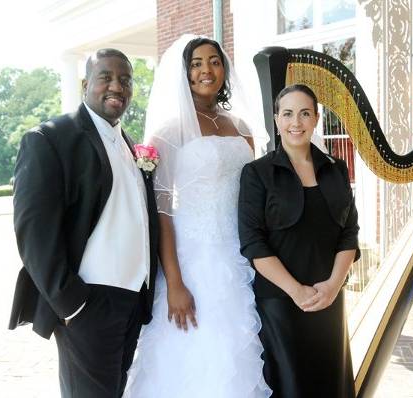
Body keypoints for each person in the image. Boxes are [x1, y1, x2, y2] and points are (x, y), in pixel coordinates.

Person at [124, 35, 271, 397]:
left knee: (237, 348)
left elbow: (252, 195)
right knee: (195, 350)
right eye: (196, 63)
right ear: (184, 72)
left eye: (214, 61)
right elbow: (161, 211)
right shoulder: (169, 133)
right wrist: (174, 281)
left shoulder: (242, 128)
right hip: (193, 260)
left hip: (240, 254)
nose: (207, 70)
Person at [8, 48, 159, 398]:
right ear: (85, 83)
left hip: (132, 301)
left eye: (125, 80)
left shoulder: (127, 142)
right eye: (106, 77)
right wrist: (70, 302)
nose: (117, 87)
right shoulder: (50, 139)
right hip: (88, 302)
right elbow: (34, 232)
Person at [238, 84, 360, 398]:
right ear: (276, 120)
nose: (296, 122)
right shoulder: (256, 173)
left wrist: (333, 285)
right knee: (292, 387)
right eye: (288, 113)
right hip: (280, 302)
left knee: (330, 384)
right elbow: (253, 242)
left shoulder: (336, 169)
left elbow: (349, 233)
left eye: (305, 113)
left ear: (316, 118)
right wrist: (296, 291)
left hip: (328, 298)